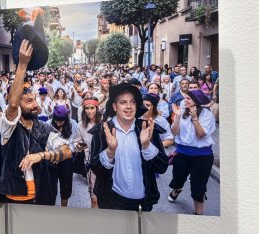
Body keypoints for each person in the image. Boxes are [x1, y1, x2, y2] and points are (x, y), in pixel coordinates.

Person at [0, 40, 72, 205]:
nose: (35, 105)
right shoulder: (8, 127)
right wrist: (22, 64)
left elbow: (67, 151)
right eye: (29, 101)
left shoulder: (44, 128)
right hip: (15, 197)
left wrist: (41, 155)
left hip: (41, 195)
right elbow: (13, 105)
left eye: (35, 100)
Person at [89, 83, 168, 211]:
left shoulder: (147, 129)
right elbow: (95, 168)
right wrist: (110, 152)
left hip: (143, 204)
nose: (128, 107)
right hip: (112, 202)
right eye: (123, 102)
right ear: (114, 106)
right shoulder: (102, 131)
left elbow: (162, 167)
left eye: (132, 102)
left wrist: (147, 146)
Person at [169, 90, 216, 215]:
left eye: (188, 98)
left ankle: (198, 214)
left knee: (198, 187)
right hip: (182, 153)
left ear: (197, 101)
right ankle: (177, 189)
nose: (185, 100)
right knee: (178, 179)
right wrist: (178, 117)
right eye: (186, 98)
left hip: (202, 156)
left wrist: (195, 118)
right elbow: (174, 132)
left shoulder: (207, 115)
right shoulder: (183, 111)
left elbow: (200, 134)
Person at [73, 97, 102, 208]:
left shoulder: (104, 122)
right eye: (87, 108)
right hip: (90, 163)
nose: (89, 111)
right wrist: (78, 146)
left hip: (106, 163)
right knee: (94, 198)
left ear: (97, 108)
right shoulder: (81, 125)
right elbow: (76, 142)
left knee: (105, 197)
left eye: (92, 108)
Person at [46, 105, 77, 206]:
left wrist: (66, 152)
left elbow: (74, 143)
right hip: (52, 160)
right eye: (57, 120)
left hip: (66, 161)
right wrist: (54, 154)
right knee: (50, 189)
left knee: (66, 188)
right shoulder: (47, 124)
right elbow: (46, 144)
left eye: (62, 121)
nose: (59, 123)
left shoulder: (73, 124)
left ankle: (64, 209)